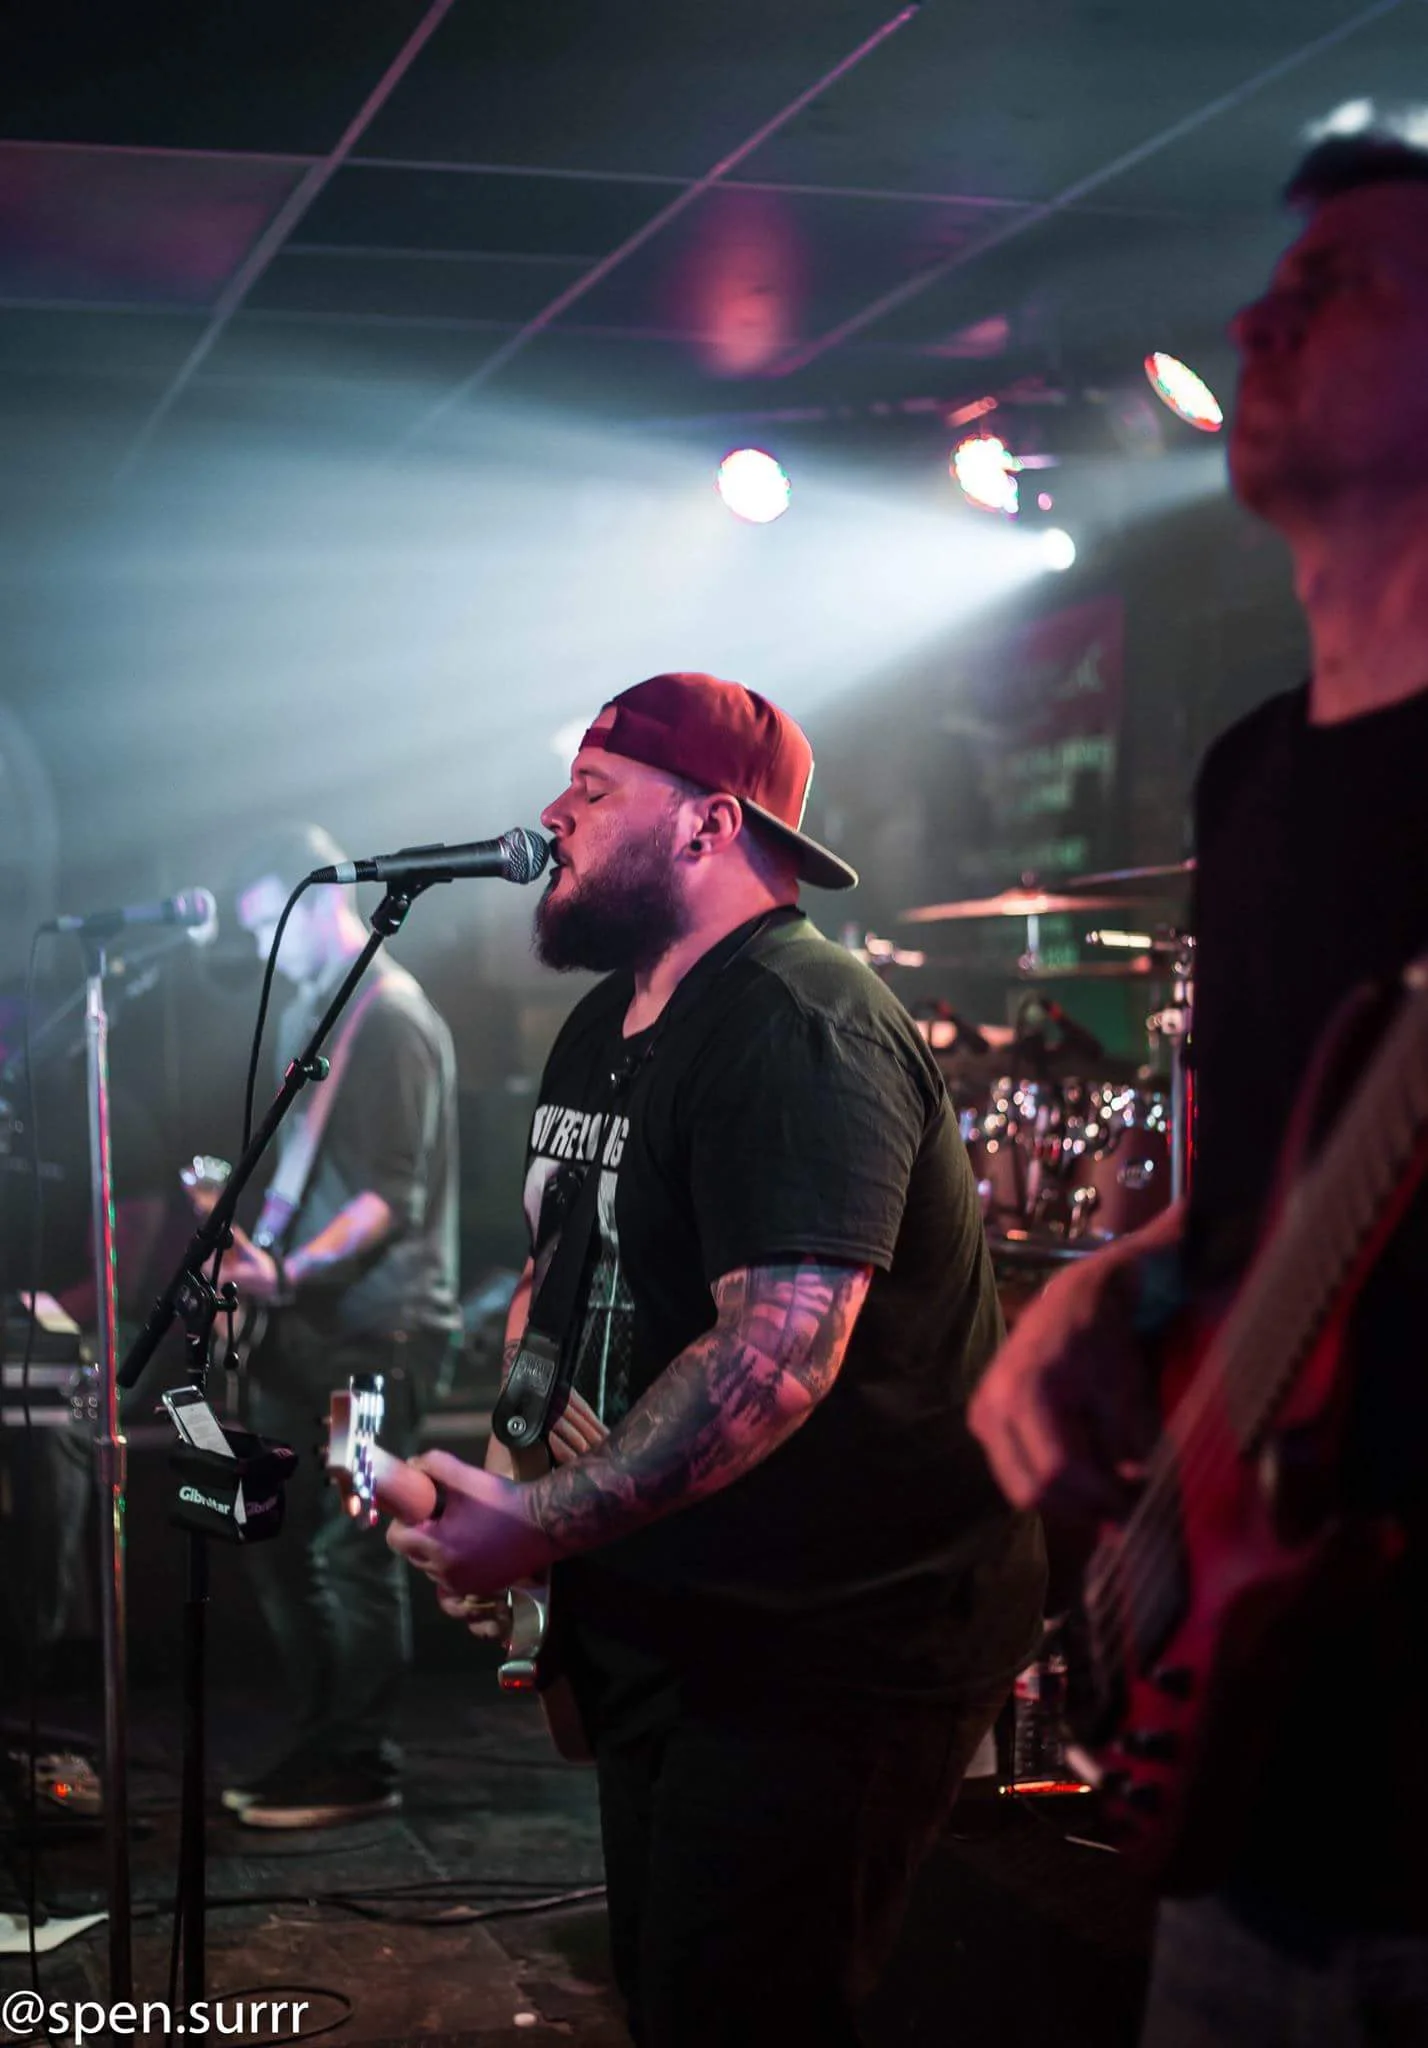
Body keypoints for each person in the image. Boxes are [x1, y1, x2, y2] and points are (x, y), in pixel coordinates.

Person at [388, 672, 1046, 2046]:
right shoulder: (605, 1025)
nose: (554, 815)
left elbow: (777, 1354)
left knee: (737, 2009)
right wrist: (518, 1499)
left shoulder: (803, 1025)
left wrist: (543, 1521)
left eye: (593, 788)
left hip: (837, 1642)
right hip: (682, 1612)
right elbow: (555, 1281)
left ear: (706, 824)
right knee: (667, 1988)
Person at [967, 133, 1428, 2045]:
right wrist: (1105, 1281)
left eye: (1337, 287)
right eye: (1269, 285)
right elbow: (1247, 1195)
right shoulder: (1249, 777)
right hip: (1254, 1805)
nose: (1254, 319)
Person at [218, 823, 460, 1828]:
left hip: (376, 1330)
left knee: (348, 1547)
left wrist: (284, 1268)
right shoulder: (315, 1014)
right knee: (272, 1535)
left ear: (322, 904)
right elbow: (307, 1170)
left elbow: (388, 1200)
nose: (266, 950)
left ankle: (360, 1759)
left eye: (271, 926)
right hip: (310, 1326)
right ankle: (322, 1739)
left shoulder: (390, 1019)